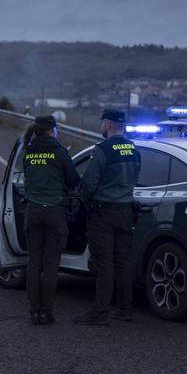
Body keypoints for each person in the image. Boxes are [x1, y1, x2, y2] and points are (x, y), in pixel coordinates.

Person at [74, 109, 141, 326]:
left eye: (102, 122)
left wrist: (86, 203)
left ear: (109, 125)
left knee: (104, 263)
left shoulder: (103, 150)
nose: (101, 126)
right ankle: (125, 309)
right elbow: (136, 176)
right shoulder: (133, 149)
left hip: (104, 213)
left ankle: (100, 312)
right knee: (123, 262)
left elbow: (89, 183)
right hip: (126, 211)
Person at [21, 115, 79, 325]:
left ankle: (34, 310)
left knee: (34, 262)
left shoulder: (28, 151)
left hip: (33, 211)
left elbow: (26, 177)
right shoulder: (60, 153)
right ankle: (47, 310)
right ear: (52, 131)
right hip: (55, 212)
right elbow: (73, 180)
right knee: (51, 264)